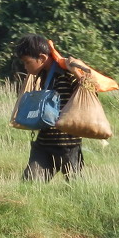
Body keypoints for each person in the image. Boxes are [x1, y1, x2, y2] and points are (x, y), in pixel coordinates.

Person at [13, 33, 89, 181]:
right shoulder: (41, 76)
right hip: (44, 143)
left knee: (76, 187)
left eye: (27, 62)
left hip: (68, 144)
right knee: (30, 184)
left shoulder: (67, 73)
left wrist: (76, 73)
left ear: (42, 58)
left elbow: (88, 93)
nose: (25, 66)